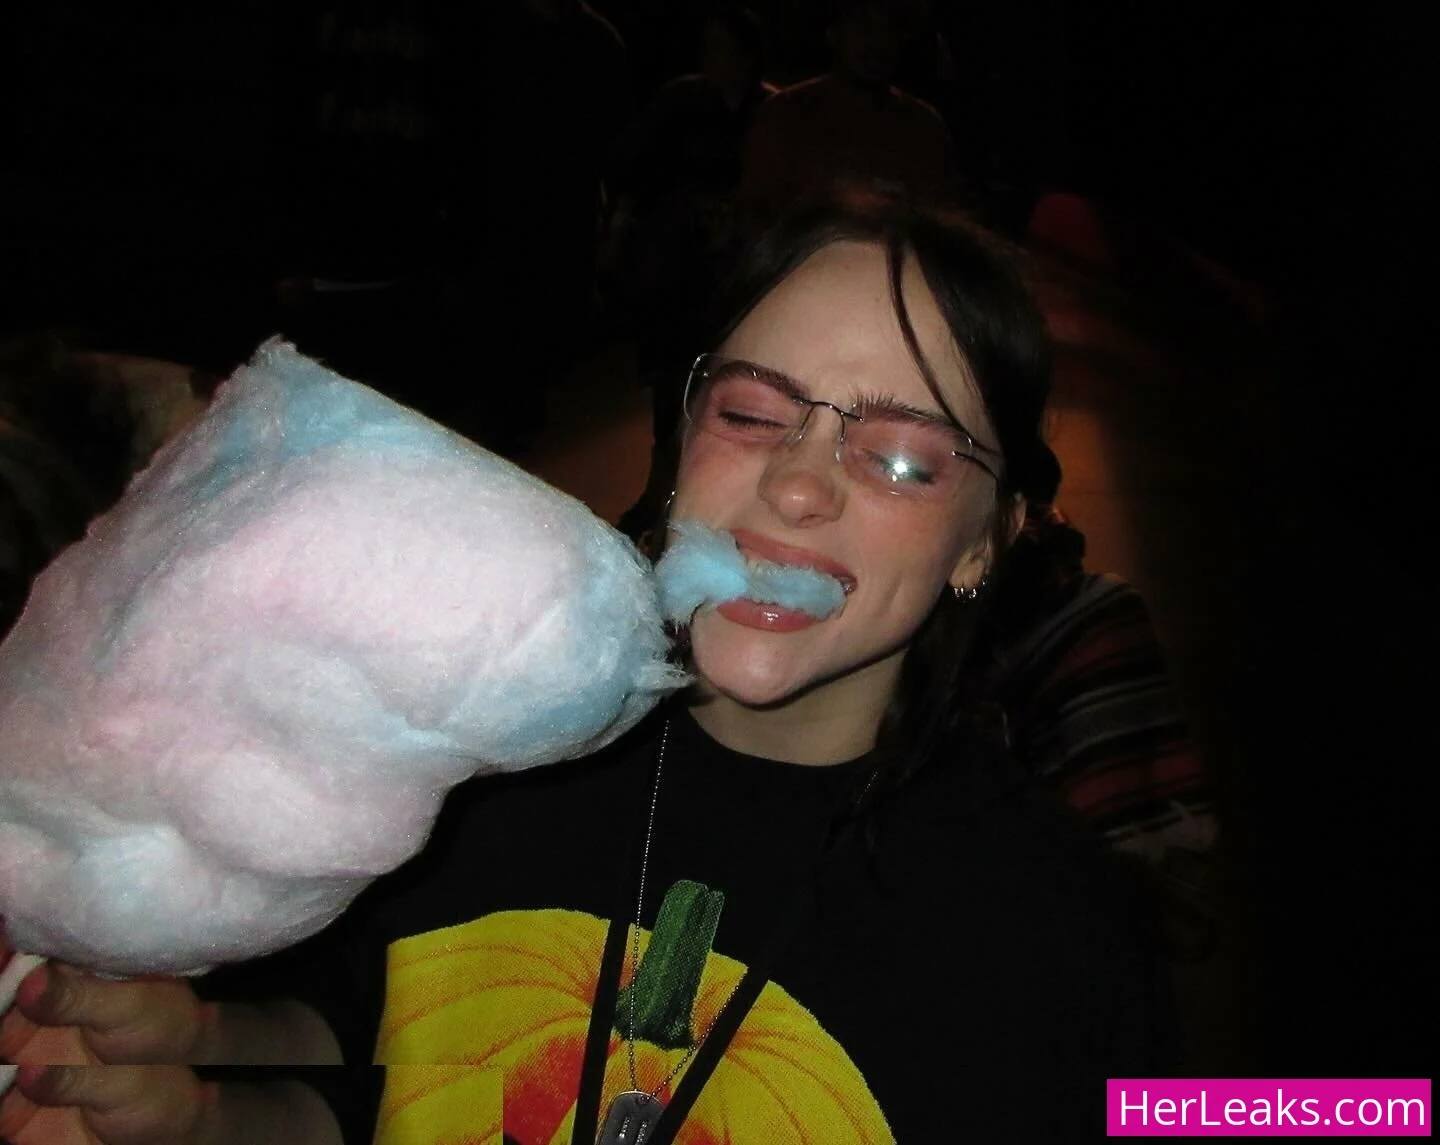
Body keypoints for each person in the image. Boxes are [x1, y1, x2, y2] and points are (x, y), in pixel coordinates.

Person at [0, 196, 1171, 1143]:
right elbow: (371, 1068)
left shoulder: (1055, 929)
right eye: (752, 412)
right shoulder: (475, 758)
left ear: (987, 538)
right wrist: (205, 1105)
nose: (800, 483)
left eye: (905, 458)